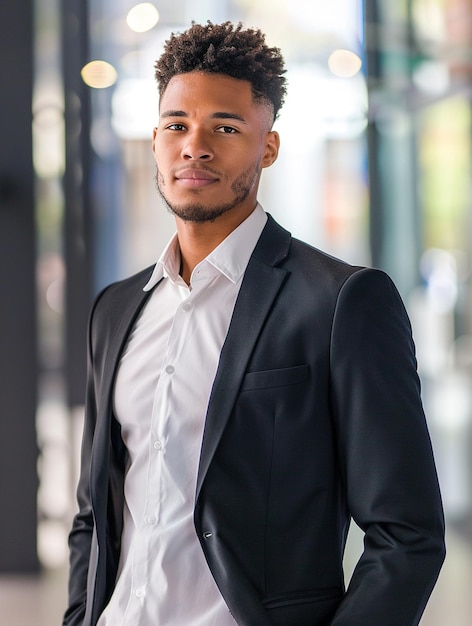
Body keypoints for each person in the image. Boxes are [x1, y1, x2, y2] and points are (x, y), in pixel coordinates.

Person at [63, 21, 445, 626]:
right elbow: (94, 515)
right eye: (176, 126)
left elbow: (407, 535)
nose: (195, 146)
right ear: (156, 139)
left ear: (267, 146)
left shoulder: (341, 301)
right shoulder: (115, 308)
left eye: (226, 127)